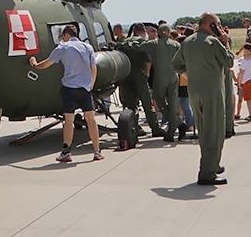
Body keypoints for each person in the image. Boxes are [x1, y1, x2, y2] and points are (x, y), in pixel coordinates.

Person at [172, 13, 234, 185]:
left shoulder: (188, 41)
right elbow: (229, 62)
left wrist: (191, 75)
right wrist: (224, 41)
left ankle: (211, 164)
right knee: (215, 131)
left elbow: (176, 64)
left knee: (204, 130)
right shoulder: (213, 42)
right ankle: (207, 174)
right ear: (212, 25)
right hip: (212, 91)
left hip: (194, 90)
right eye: (218, 24)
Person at [30, 25, 104, 162]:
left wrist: (34, 64)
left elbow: (46, 64)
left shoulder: (62, 48)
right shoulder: (88, 47)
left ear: (66, 36)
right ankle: (97, 151)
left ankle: (66, 152)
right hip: (85, 89)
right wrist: (90, 85)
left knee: (69, 120)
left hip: (70, 89)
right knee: (91, 119)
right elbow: (94, 68)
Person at [116, 23, 164, 137]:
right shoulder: (143, 43)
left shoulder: (125, 42)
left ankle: (135, 128)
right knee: (147, 103)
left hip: (127, 76)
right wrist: (147, 73)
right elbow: (148, 59)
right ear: (143, 31)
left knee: (131, 104)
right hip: (140, 75)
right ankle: (155, 128)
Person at [143, 24, 181, 142]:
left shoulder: (153, 44)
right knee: (173, 103)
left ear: (159, 33)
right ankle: (176, 126)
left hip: (160, 76)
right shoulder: (176, 45)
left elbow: (139, 47)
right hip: (173, 75)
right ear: (169, 32)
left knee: (159, 101)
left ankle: (175, 126)